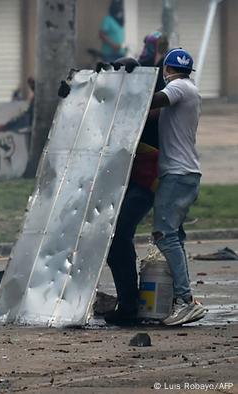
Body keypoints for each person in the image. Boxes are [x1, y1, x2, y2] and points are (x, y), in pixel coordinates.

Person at [104, 33, 169, 326]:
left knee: (120, 237)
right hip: (125, 179)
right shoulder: (125, 100)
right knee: (115, 241)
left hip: (146, 181)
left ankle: (131, 306)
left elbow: (149, 95)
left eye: (150, 49)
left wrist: (129, 66)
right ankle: (128, 301)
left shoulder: (155, 89)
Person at [146, 48, 207, 326]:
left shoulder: (179, 87)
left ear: (166, 71)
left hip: (178, 174)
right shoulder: (190, 91)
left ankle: (185, 300)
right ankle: (180, 298)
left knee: (164, 234)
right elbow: (155, 115)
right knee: (174, 237)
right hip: (185, 174)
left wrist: (133, 87)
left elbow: (156, 99)